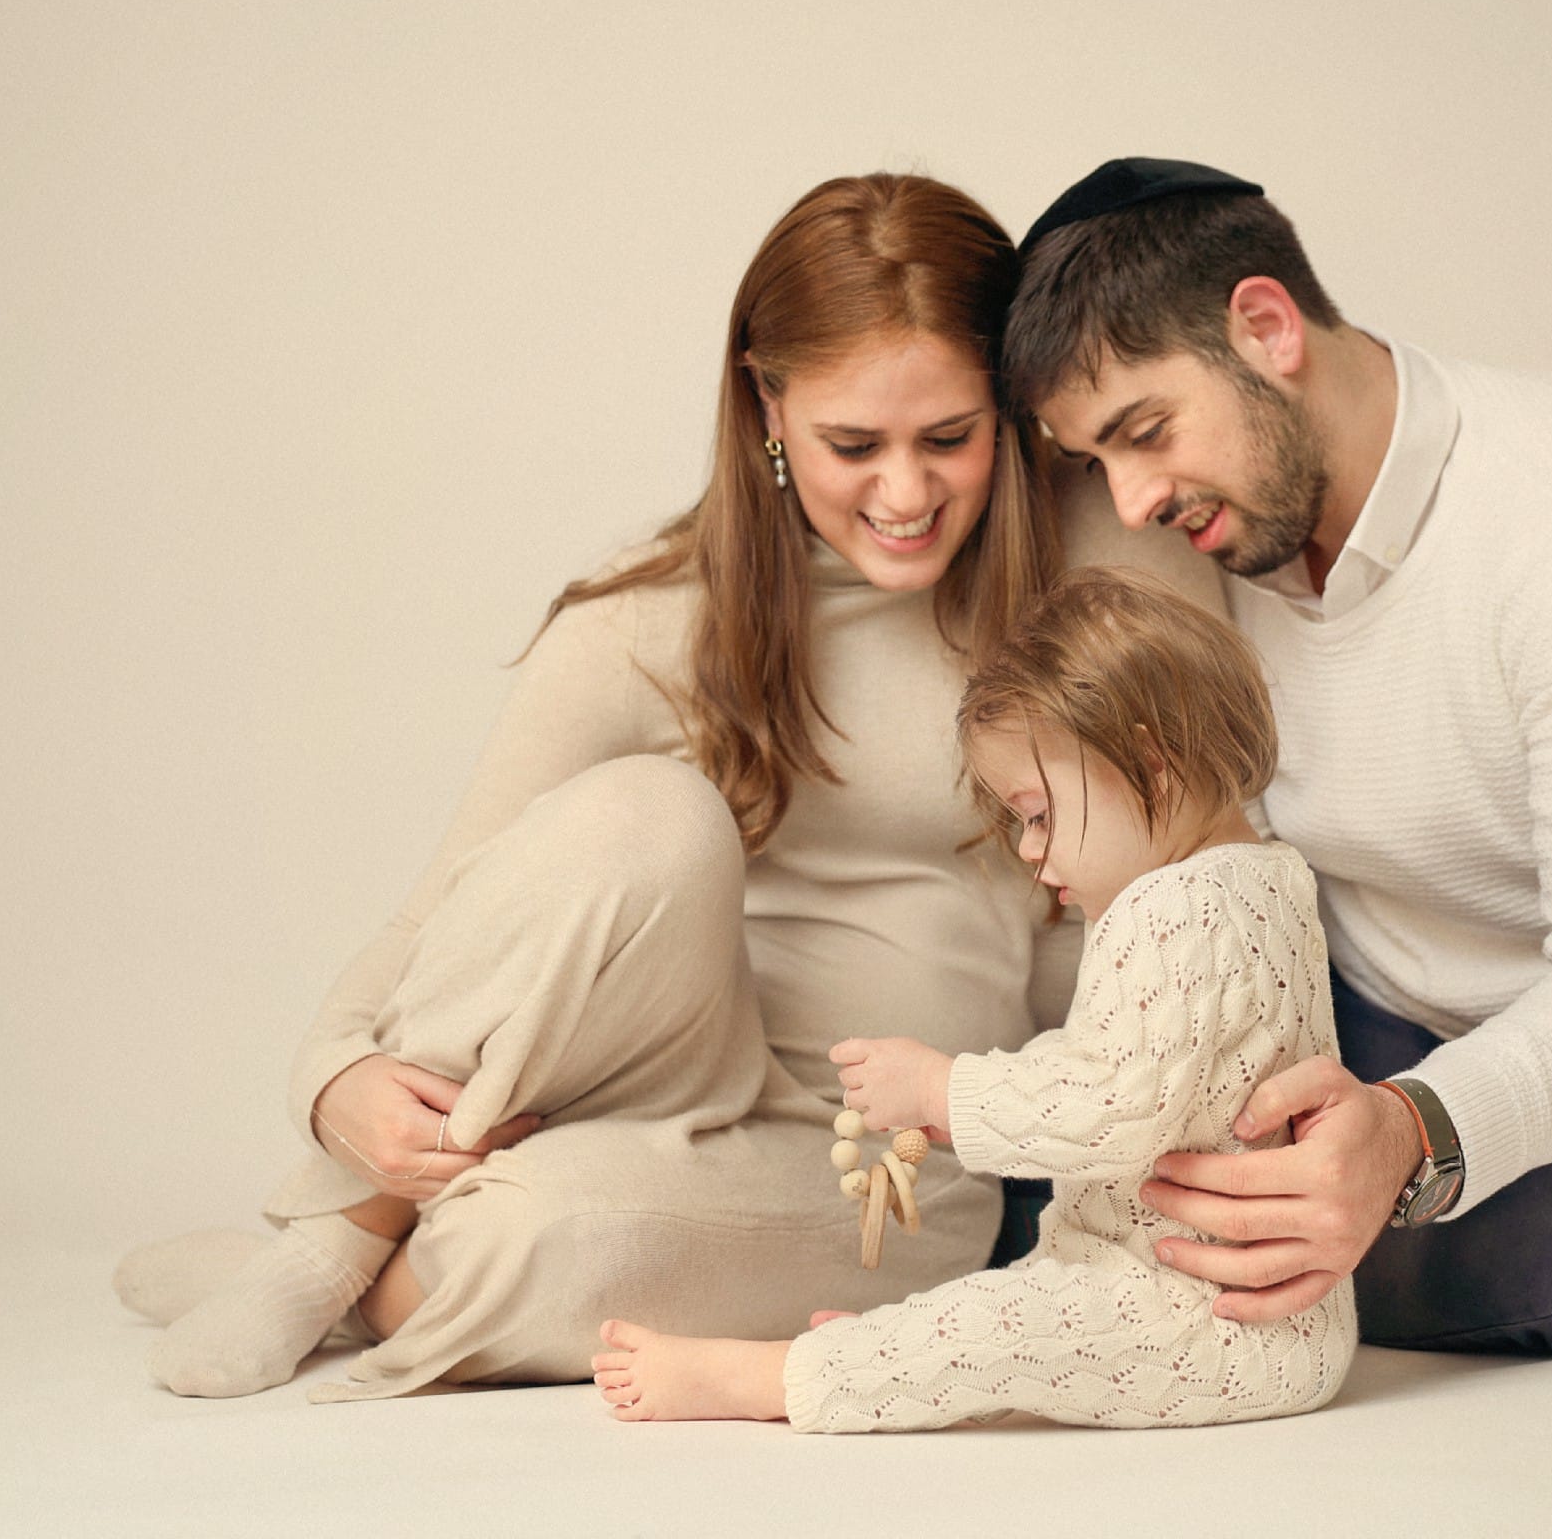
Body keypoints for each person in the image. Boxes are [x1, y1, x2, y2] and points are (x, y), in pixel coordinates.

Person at [116, 173, 1221, 1399]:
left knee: (538, 1238)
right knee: (646, 815)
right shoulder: (650, 618)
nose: (907, 494)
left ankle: (353, 1284)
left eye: (949, 438)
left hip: (893, 1159)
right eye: (854, 446)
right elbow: (445, 919)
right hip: (653, 1075)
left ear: (1009, 412)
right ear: (767, 405)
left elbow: (1203, 865)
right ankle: (336, 1242)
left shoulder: (1108, 564)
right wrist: (334, 1085)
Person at [997, 158, 1552, 1355]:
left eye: (1145, 432)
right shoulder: (1217, 524)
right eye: (1094, 461)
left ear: (1267, 327)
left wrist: (1411, 1135)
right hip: (1364, 1012)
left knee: (1514, 1259)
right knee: (1063, 1152)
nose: (1132, 500)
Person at [591, 568, 1356, 1430]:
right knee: (999, 1312)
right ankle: (888, 1363)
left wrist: (942, 1088)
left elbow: (1115, 1106)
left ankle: (776, 1379)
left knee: (1006, 1324)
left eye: (1039, 813)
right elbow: (1120, 1061)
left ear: (1152, 764)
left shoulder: (1176, 907)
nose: (1028, 848)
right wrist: (971, 1106)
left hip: (1210, 1319)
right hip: (1191, 1294)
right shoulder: (1264, 882)